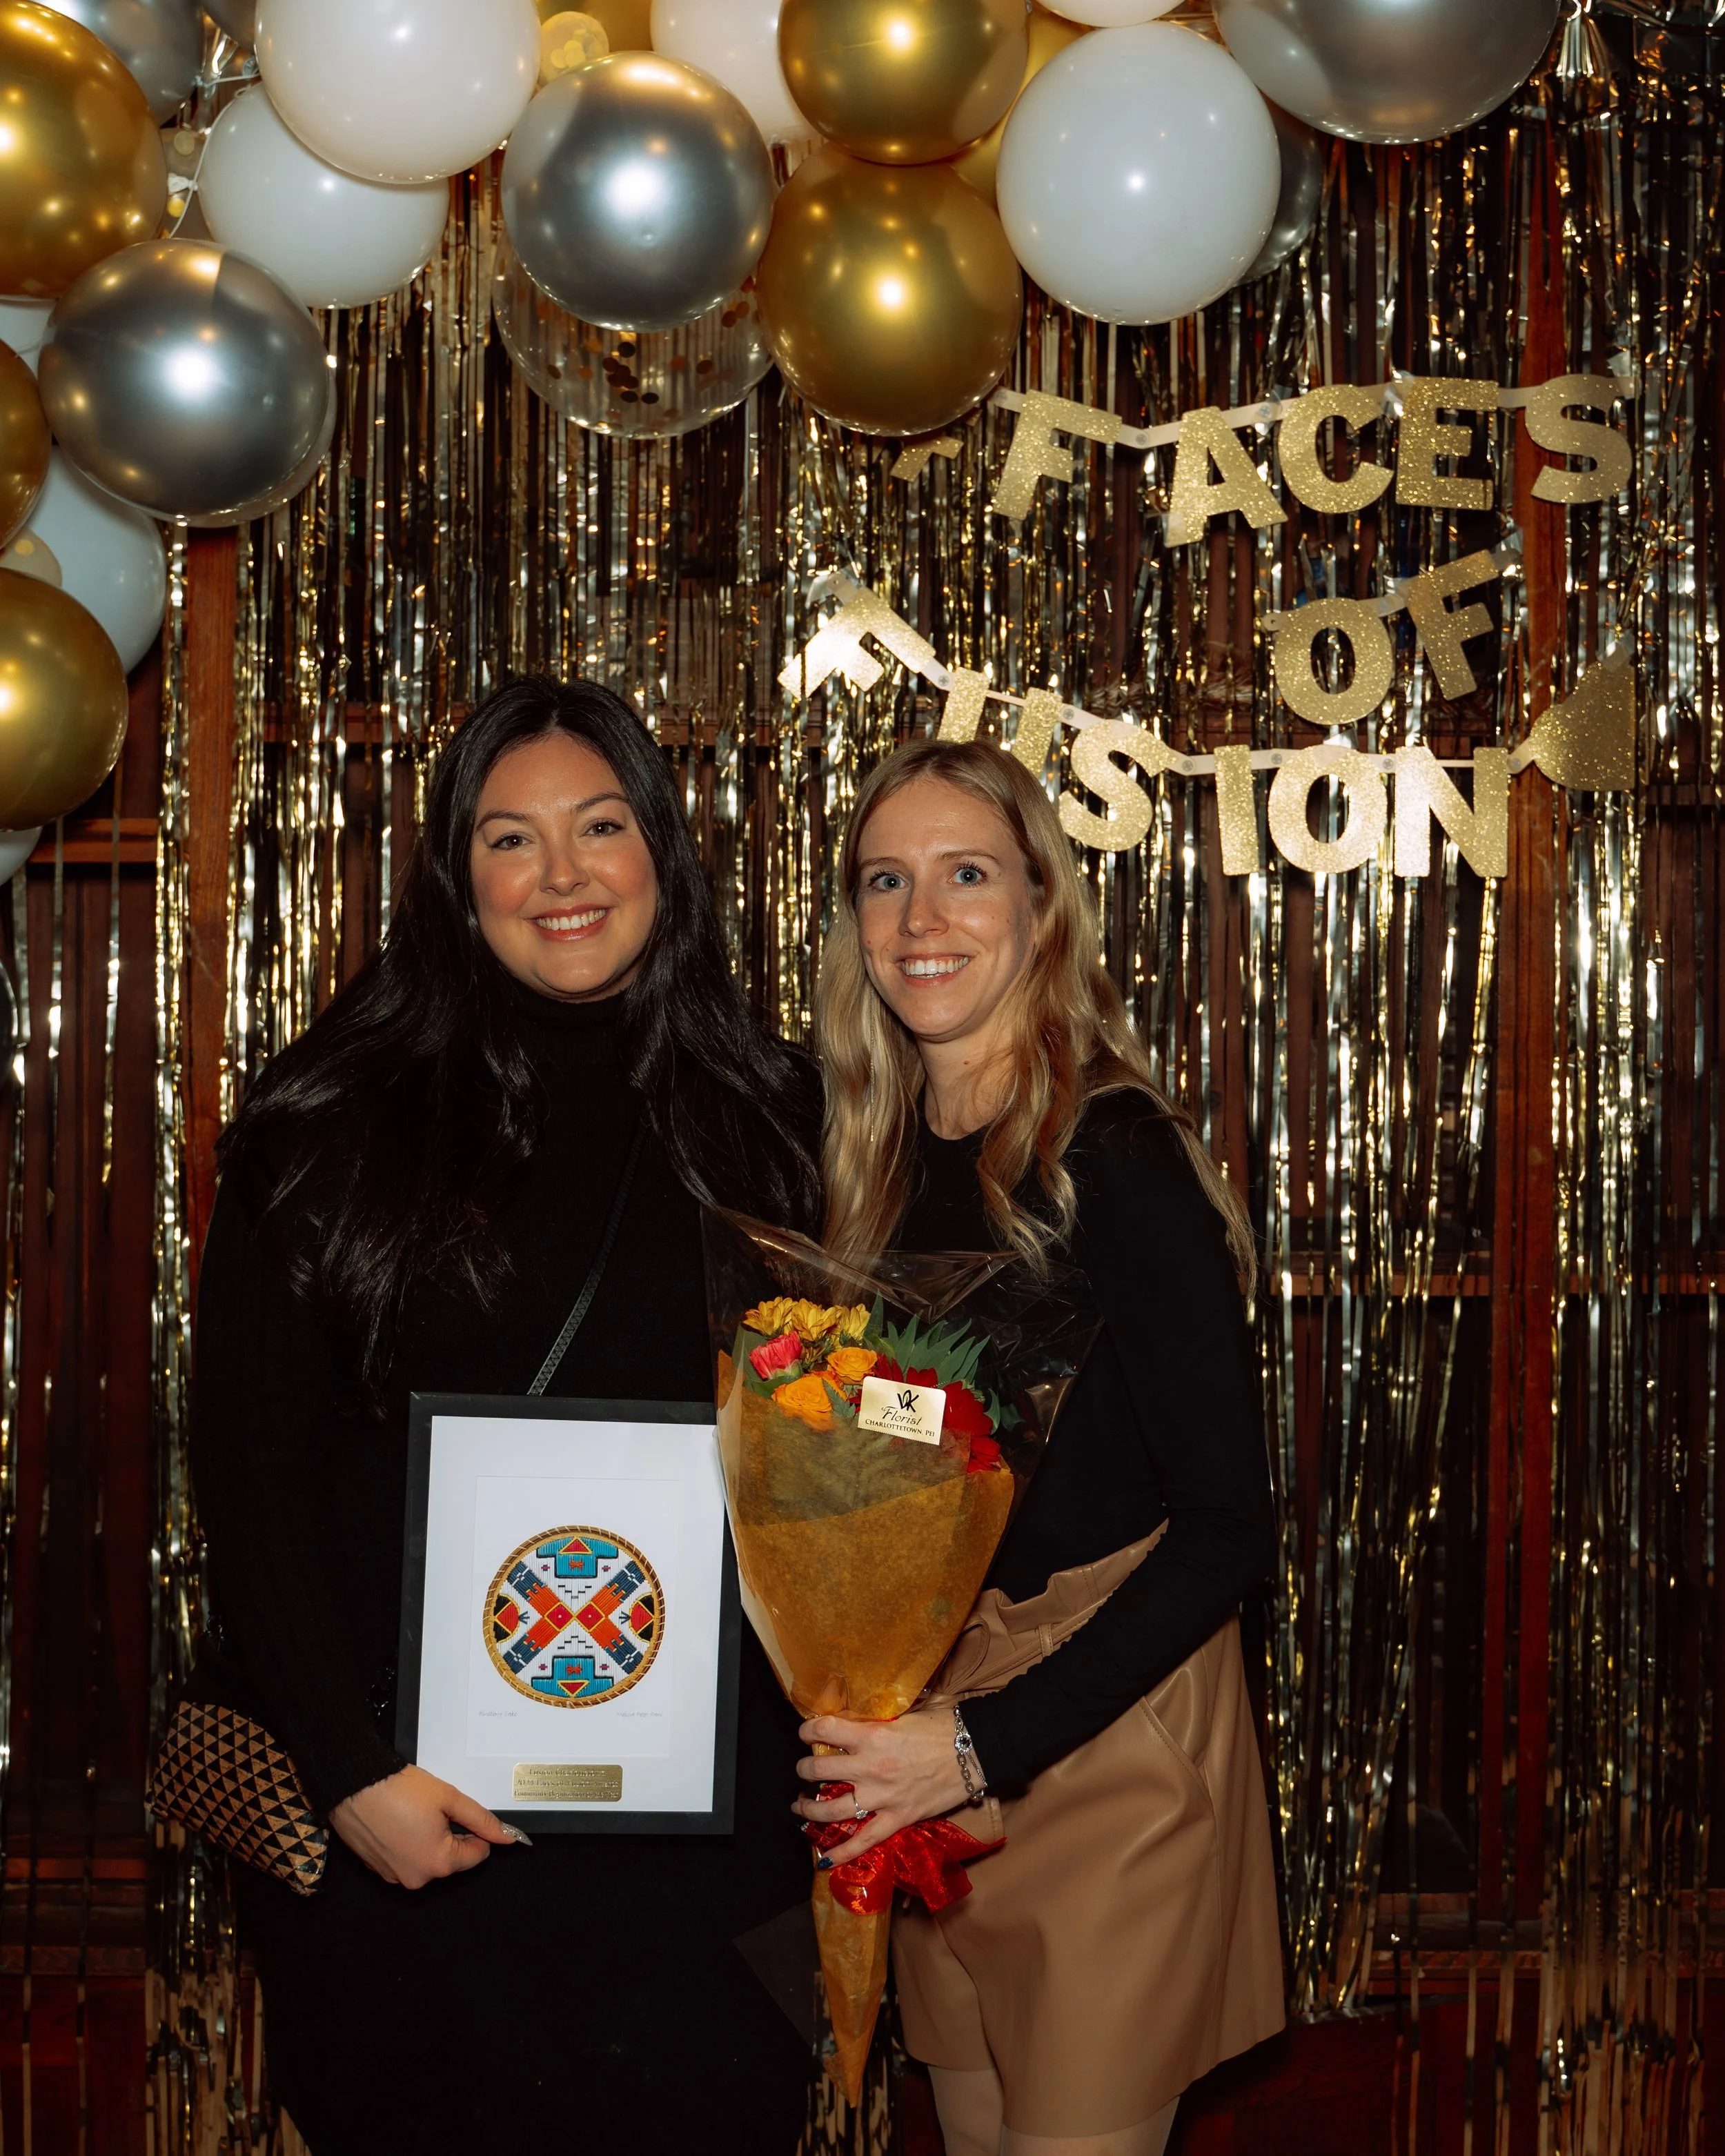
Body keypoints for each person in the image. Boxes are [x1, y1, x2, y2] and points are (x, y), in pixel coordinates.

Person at [191, 679, 822, 2153]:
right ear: (455, 880)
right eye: (509, 837)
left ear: (661, 851)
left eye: (600, 826)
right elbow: (248, 1470)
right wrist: (349, 1777)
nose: (561, 874)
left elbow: (848, 1459)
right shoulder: (324, 1121)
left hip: (701, 1856)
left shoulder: (778, 1118)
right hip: (413, 1830)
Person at [793, 739, 1285, 2156]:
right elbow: (928, 1443)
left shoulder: (1114, 1156)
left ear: (1040, 907)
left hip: (1107, 1751)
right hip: (927, 1749)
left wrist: (977, 1742)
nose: (919, 919)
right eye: (884, 880)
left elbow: (1225, 1529)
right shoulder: (871, 1159)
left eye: (964, 875)